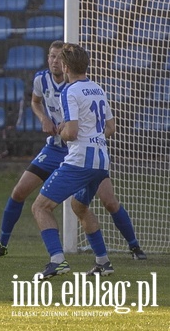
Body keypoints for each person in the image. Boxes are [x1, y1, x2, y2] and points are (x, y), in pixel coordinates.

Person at [0, 40, 146, 260]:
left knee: (108, 201)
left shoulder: (72, 89)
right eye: (51, 56)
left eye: (59, 57)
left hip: (79, 150)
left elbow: (80, 130)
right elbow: (35, 101)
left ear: (67, 63)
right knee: (19, 191)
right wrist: (43, 119)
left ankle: (134, 247)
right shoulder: (42, 79)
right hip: (56, 149)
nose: (54, 61)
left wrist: (73, 133)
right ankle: (2, 244)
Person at [31, 43, 115, 278]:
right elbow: (111, 127)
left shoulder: (70, 91)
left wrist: (61, 130)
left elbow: (72, 133)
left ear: (66, 67)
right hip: (101, 160)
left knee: (40, 207)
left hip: (79, 160)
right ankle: (103, 262)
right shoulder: (97, 88)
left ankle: (57, 260)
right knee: (79, 206)